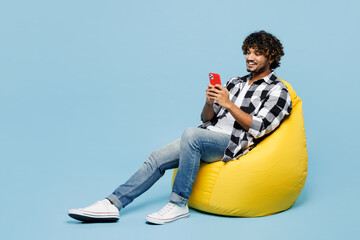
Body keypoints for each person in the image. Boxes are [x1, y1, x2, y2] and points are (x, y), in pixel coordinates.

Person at [68, 30, 292, 224]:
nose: (249, 57)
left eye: (257, 53)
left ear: (271, 57)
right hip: (207, 135)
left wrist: (229, 104)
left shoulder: (277, 91)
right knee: (157, 157)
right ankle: (112, 203)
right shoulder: (235, 82)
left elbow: (259, 127)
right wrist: (210, 101)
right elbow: (206, 119)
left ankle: (179, 203)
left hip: (231, 144)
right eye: (248, 52)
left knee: (191, 134)